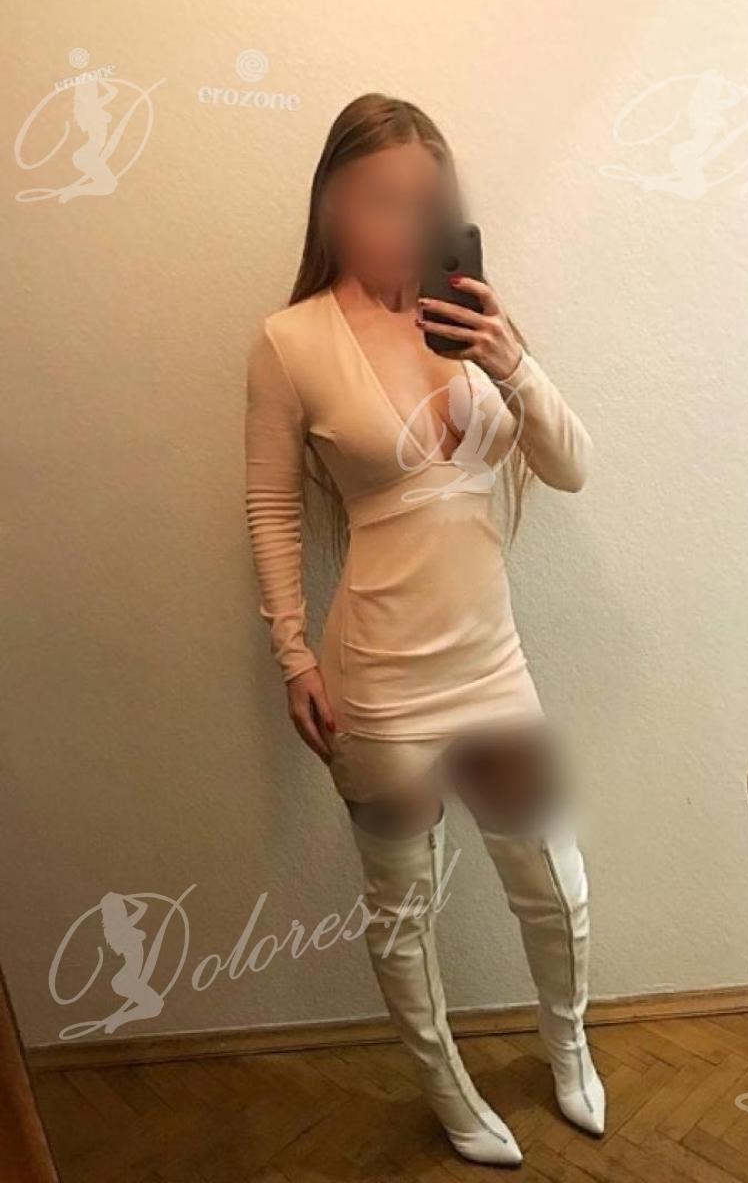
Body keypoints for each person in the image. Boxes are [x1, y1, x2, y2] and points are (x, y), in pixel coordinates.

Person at [244, 91, 604, 1167]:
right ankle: (448, 1092)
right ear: (331, 205)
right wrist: (292, 654)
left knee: (554, 882)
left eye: (421, 199)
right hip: (377, 681)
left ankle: (568, 1047)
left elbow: (571, 467)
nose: (402, 221)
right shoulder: (290, 342)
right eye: (377, 198)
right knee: (402, 912)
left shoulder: (475, 316)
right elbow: (270, 508)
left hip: (493, 667)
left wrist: (509, 358)